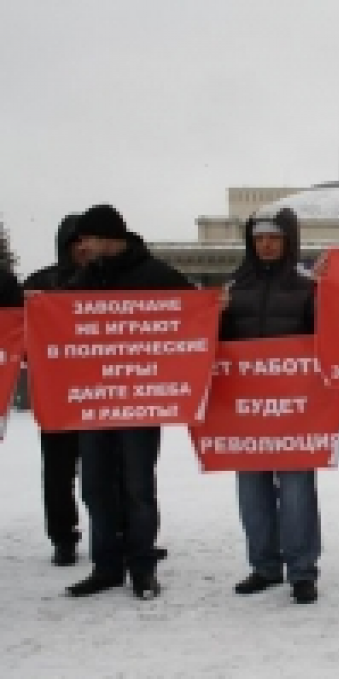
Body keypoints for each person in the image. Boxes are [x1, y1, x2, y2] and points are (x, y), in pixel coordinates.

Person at [62, 204, 194, 600]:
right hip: (96, 401)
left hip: (139, 402)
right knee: (95, 486)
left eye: (86, 237)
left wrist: (215, 309)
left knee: (137, 487)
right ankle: (106, 566)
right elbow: (62, 323)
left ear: (107, 237)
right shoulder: (85, 278)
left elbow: (194, 315)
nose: (81, 246)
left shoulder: (156, 275)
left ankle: (141, 567)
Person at [219, 207, 321, 604]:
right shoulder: (233, 288)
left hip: (295, 407)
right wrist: (215, 316)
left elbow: (325, 337)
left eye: (274, 238)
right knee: (252, 489)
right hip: (244, 408)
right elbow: (215, 342)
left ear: (288, 241)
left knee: (297, 489)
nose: (266, 244)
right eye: (259, 237)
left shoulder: (307, 288)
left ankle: (301, 571)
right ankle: (264, 566)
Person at [24, 215, 85, 566]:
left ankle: (117, 535)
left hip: (103, 394)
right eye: (74, 242)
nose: (81, 248)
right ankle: (63, 537)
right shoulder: (42, 283)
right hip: (58, 398)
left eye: (86, 240)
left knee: (107, 475)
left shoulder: (109, 283)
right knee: (58, 475)